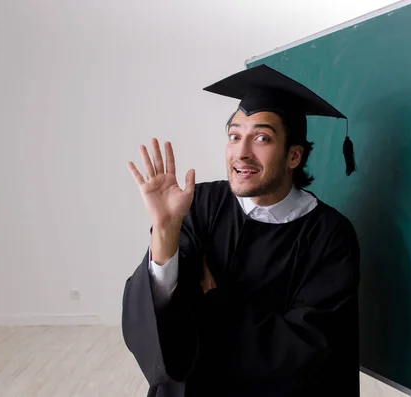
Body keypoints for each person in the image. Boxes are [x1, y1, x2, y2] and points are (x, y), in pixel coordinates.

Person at [122, 64, 360, 397]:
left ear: (294, 156)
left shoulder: (329, 235)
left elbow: (309, 348)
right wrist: (164, 230)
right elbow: (162, 323)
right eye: (235, 136)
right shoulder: (199, 203)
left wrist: (217, 306)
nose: (242, 152)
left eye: (261, 138)